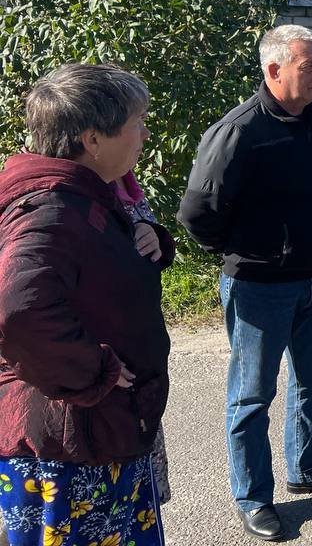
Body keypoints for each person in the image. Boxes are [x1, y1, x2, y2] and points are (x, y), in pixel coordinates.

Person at [179, 25, 312, 542]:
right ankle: (253, 497)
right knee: (252, 395)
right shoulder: (239, 131)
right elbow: (198, 212)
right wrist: (241, 254)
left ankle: (307, 468)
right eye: (311, 67)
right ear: (274, 70)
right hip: (260, 287)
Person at [0, 64, 174, 546]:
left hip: (99, 432)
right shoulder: (52, 208)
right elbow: (16, 310)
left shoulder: (87, 193)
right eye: (136, 123)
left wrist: (147, 237)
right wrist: (93, 370)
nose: (143, 134)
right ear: (93, 139)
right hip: (71, 443)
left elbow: (91, 270)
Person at [113, 170, 172, 507]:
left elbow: (147, 249)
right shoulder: (79, 195)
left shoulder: (125, 180)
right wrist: (92, 361)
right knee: (112, 508)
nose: (146, 133)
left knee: (141, 504)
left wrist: (155, 237)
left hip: (140, 369)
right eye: (137, 122)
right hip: (106, 376)